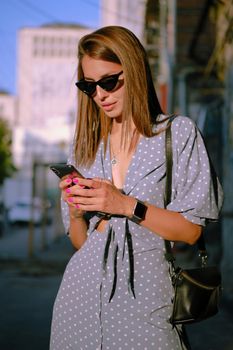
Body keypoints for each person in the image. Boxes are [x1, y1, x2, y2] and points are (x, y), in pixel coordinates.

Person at [50, 26, 223, 350]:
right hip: (77, 306)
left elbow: (190, 232)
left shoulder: (177, 134)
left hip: (146, 305)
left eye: (109, 81)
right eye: (89, 86)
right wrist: (76, 213)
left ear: (134, 70)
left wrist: (125, 205)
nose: (100, 94)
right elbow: (80, 243)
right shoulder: (85, 147)